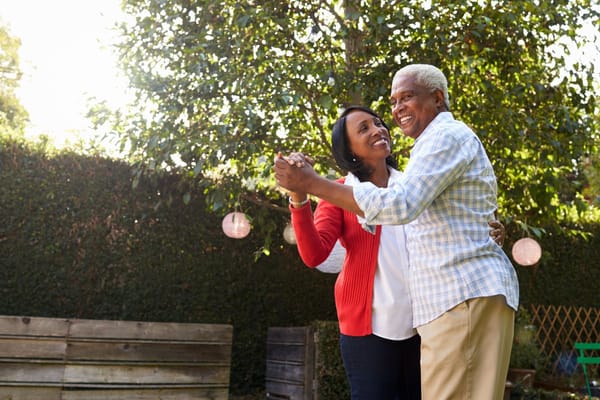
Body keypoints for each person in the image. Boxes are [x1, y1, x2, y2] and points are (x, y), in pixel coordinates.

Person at [274, 64, 519, 400]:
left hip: (423, 318)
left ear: (437, 99)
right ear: (350, 151)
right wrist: (301, 196)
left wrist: (484, 231)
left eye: (377, 121)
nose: (378, 127)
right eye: (364, 128)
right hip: (373, 329)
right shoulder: (342, 192)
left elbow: (430, 212)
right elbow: (315, 254)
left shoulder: (413, 183)